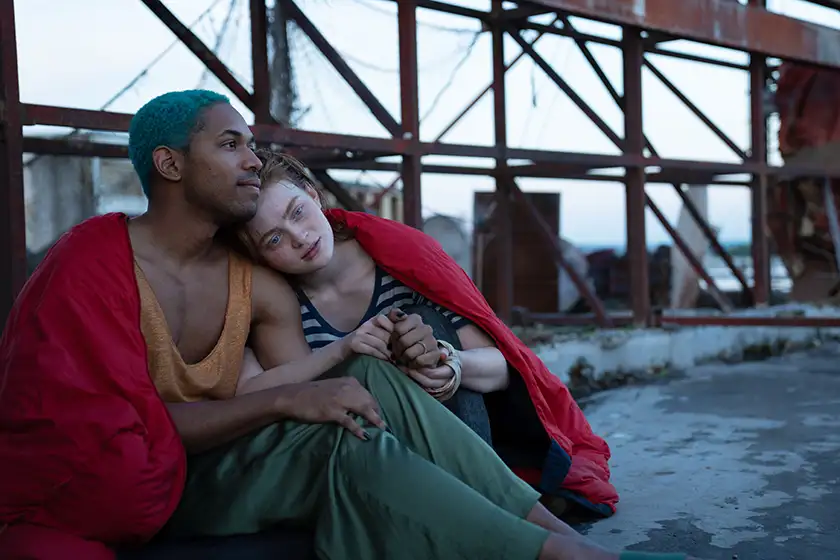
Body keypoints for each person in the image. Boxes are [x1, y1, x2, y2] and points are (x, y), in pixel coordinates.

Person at [0, 89, 695, 560]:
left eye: (253, 150)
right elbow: (105, 435)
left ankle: (548, 531)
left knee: (364, 384)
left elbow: (307, 384)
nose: (251, 159)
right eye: (232, 145)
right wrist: (294, 395)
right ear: (170, 163)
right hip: (156, 484)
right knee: (348, 446)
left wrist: (352, 366)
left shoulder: (250, 279)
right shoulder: (94, 262)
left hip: (228, 457)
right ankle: (552, 555)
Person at [233, 150, 614, 520]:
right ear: (257, 254)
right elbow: (273, 395)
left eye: (297, 212)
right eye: (274, 239)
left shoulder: (397, 258)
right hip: (365, 448)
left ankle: (480, 504)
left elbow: (502, 367)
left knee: (421, 322)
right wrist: (346, 350)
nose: (299, 237)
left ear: (313, 195)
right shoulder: (277, 303)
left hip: (455, 432)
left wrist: (452, 366)